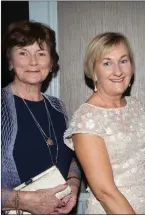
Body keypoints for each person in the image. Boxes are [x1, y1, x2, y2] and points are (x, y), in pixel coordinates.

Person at [64, 32, 145, 214]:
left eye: (123, 61)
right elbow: (105, 192)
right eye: (107, 63)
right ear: (93, 71)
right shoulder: (86, 118)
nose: (118, 71)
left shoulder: (136, 107)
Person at [1, 20, 81, 214]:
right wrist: (24, 201)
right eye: (23, 53)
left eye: (41, 53)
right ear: (10, 61)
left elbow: (72, 157)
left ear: (52, 63)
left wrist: (73, 183)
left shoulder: (58, 107)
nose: (33, 62)